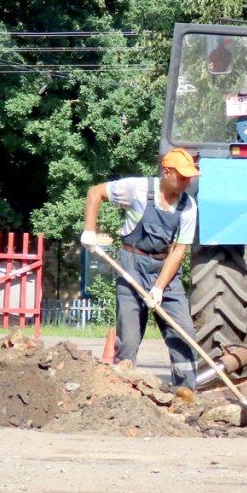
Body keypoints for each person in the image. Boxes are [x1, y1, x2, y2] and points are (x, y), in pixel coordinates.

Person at [80, 148, 200, 390]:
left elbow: (178, 251)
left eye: (190, 177)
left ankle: (185, 392)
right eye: (182, 176)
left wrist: (158, 288)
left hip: (165, 270)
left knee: (183, 332)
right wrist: (90, 230)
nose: (187, 182)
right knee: (129, 338)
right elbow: (96, 192)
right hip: (131, 265)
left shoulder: (188, 207)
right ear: (166, 172)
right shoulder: (137, 189)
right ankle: (121, 391)